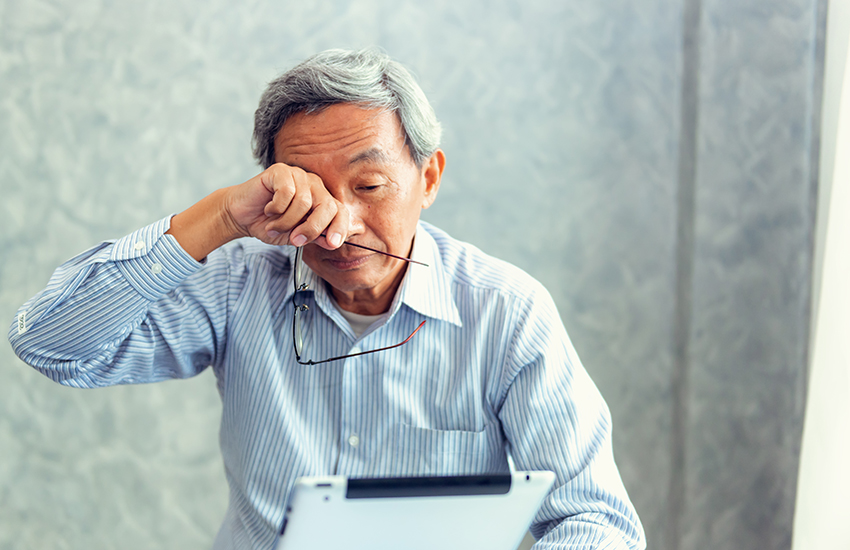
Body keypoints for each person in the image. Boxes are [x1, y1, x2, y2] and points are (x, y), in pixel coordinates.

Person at [9, 48, 646, 549]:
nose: (336, 224)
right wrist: (221, 216)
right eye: (307, 191)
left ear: (428, 178)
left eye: (369, 185)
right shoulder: (239, 284)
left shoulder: (506, 312)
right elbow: (49, 344)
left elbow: (596, 522)